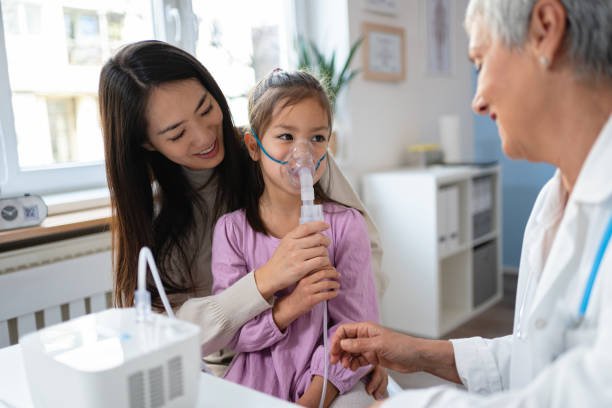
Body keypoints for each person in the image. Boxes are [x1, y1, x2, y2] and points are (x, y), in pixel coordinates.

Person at [330, 0, 612, 406]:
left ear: (544, 30)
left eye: (480, 60)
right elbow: (534, 357)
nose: (477, 101)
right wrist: (418, 351)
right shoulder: (554, 201)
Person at [99, 40, 388, 398]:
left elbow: (365, 263)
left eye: (206, 109)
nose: (205, 137)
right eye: (177, 133)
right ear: (146, 143)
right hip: (233, 369)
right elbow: (168, 335)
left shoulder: (290, 154)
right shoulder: (163, 220)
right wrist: (267, 280)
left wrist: (365, 343)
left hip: (326, 360)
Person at [211, 70, 379, 407]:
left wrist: (311, 401)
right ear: (254, 147)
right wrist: (290, 307)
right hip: (252, 380)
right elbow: (232, 334)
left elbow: (355, 328)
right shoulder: (232, 232)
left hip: (325, 380)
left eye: (317, 138)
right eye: (286, 136)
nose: (303, 152)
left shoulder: (346, 226)